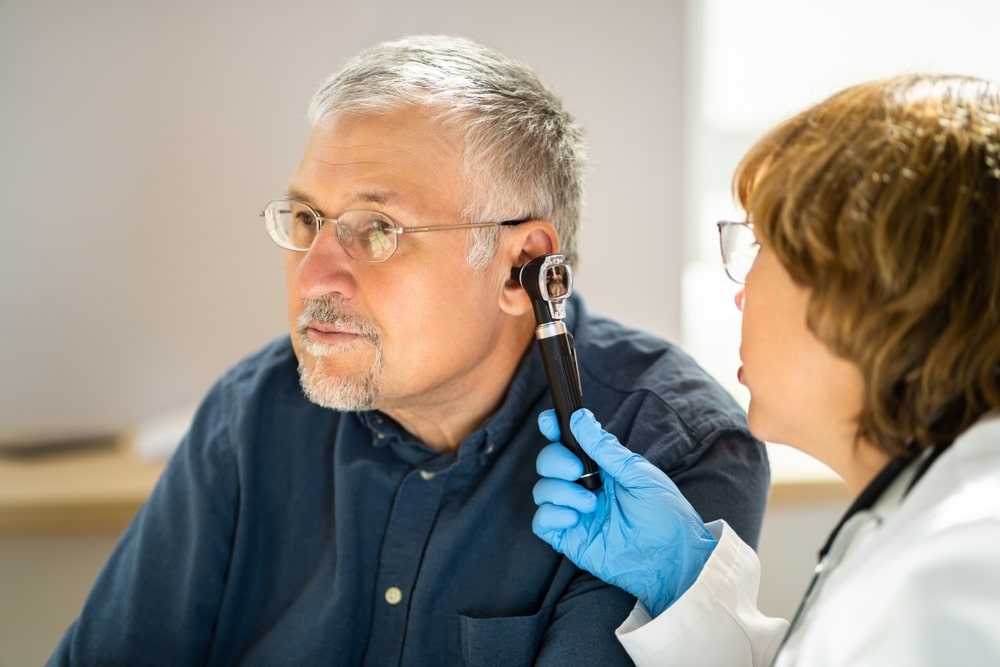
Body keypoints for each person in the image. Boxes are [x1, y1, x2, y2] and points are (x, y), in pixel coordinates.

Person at [48, 35, 769, 665]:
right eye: (306, 218)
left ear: (524, 266)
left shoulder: (673, 451)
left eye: (377, 228)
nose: (312, 276)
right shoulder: (252, 412)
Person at [532, 72, 1000, 665]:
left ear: (870, 285)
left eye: (760, 248)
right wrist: (682, 587)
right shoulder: (924, 530)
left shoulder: (957, 575)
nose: (741, 294)